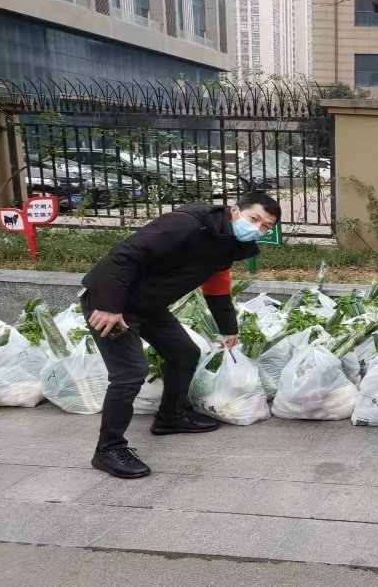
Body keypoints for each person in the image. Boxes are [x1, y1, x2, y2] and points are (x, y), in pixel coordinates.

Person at [80, 193, 281, 479]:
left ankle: (170, 417)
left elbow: (217, 286)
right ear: (235, 210)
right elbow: (125, 255)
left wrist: (228, 327)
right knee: (129, 374)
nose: (257, 227)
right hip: (111, 304)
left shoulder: (226, 242)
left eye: (265, 226)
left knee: (184, 353)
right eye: (254, 218)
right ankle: (108, 449)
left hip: (148, 305)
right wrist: (109, 305)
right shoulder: (186, 223)